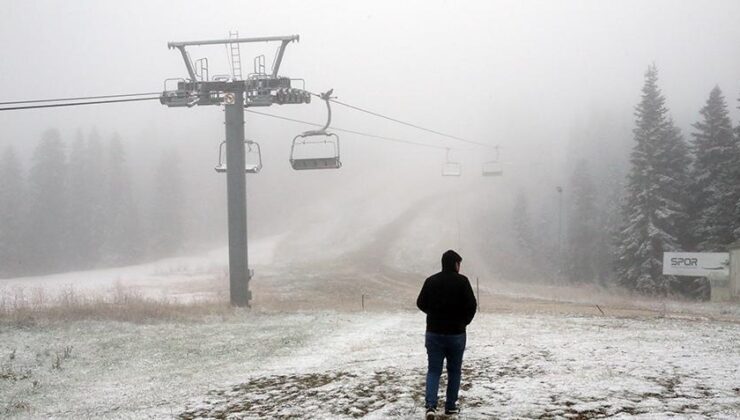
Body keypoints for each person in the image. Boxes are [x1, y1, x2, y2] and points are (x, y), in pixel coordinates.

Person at [416, 250, 477, 419]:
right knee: (454, 371)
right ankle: (450, 406)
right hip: (456, 334)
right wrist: (464, 321)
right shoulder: (463, 282)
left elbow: (420, 303)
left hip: (434, 333)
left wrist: (433, 313)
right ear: (455, 264)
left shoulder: (431, 281)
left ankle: (430, 406)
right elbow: (472, 305)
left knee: (434, 370)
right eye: (459, 263)